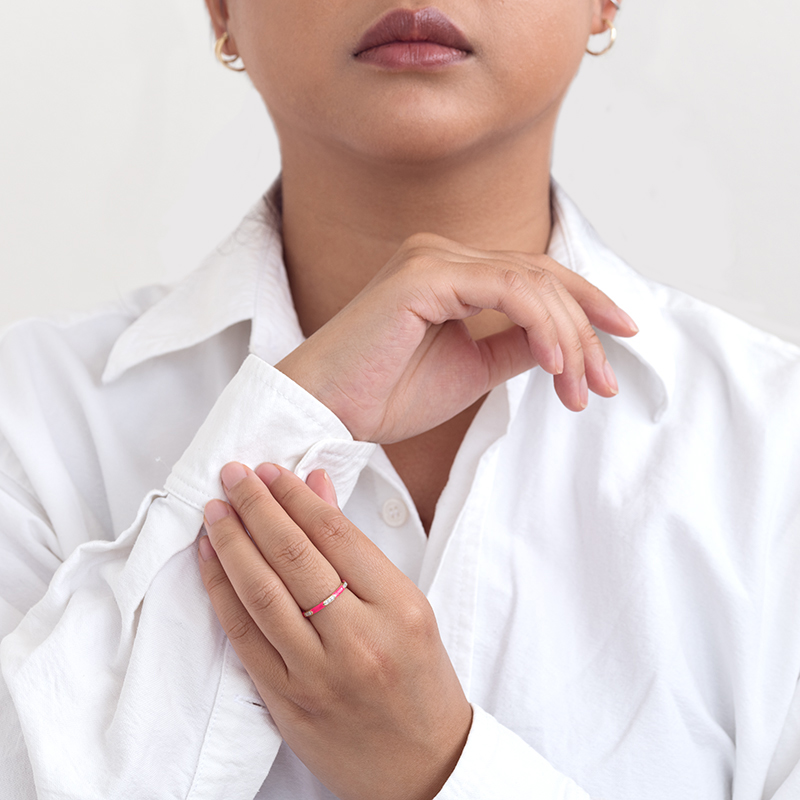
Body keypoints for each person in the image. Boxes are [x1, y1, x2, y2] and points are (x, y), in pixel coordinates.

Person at [1, 0, 798, 798]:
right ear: (222, 10)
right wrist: (291, 416)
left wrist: (432, 766)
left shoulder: (779, 447)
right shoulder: (26, 418)